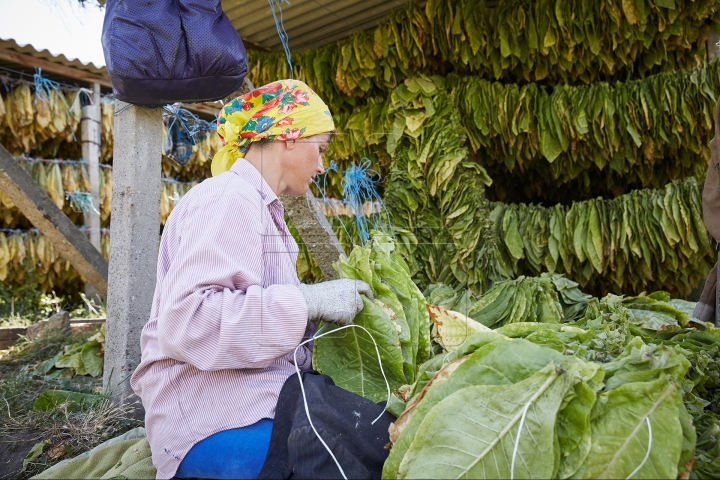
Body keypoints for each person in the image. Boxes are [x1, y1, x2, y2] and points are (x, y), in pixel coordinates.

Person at [130, 79, 374, 480]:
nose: (322, 166)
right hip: (212, 418)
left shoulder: (261, 208)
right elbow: (189, 320)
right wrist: (307, 302)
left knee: (374, 438)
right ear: (290, 138)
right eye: (322, 148)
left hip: (257, 401)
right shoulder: (229, 198)